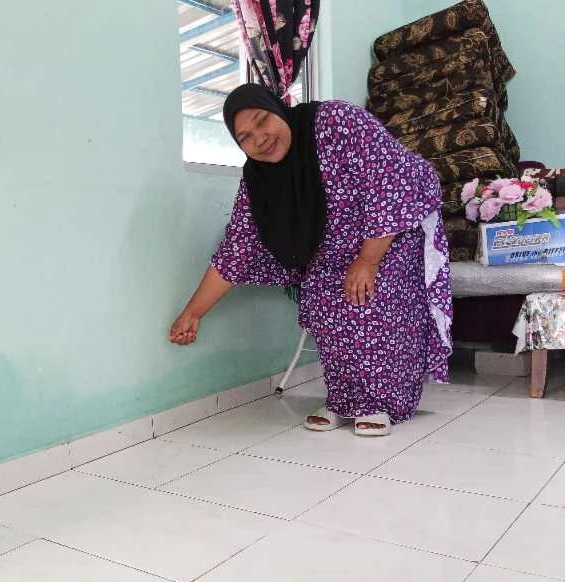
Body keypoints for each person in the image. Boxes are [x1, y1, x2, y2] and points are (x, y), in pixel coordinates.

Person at [169, 83, 452, 437]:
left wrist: (368, 260)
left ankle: (382, 403)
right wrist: (193, 313)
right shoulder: (257, 180)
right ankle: (343, 401)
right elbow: (236, 250)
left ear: (279, 108)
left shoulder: (335, 122)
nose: (260, 138)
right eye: (245, 137)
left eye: (262, 120)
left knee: (369, 300)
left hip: (390, 232)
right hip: (330, 249)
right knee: (323, 305)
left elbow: (390, 183)